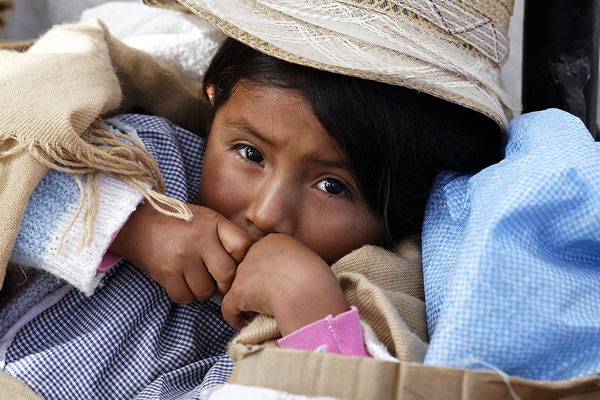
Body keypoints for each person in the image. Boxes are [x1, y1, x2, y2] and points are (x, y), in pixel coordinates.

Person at [1, 0, 516, 398]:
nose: (267, 212)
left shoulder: (364, 291)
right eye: (249, 153)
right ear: (213, 101)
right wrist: (134, 224)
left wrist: (312, 316)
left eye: (333, 186)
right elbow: (16, 171)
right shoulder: (152, 164)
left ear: (396, 213)